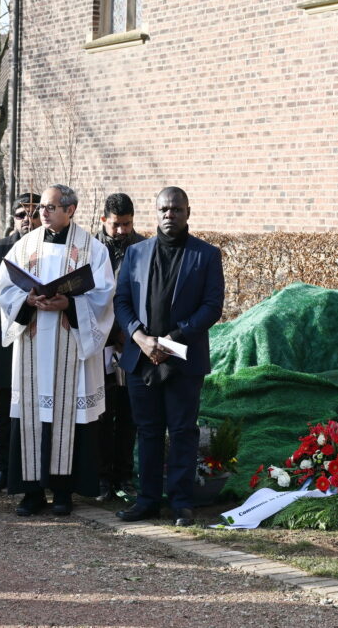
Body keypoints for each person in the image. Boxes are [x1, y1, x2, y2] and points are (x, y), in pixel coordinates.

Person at [0, 184, 115, 516]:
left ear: (70, 210)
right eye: (40, 208)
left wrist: (70, 304)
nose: (41, 213)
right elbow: (4, 289)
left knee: (68, 416)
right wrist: (27, 300)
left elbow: (104, 296)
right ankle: (31, 493)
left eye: (49, 207)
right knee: (31, 413)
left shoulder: (92, 250)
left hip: (70, 342)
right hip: (33, 341)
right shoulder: (24, 246)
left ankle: (63, 493)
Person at [114, 187, 224, 526]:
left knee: (182, 431)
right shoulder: (136, 253)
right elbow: (121, 301)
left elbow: (212, 306)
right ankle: (147, 500)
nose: (169, 214)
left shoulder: (206, 255)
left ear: (188, 212)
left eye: (176, 209)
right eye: (164, 209)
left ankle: (181, 503)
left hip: (182, 355)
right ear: (156, 211)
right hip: (142, 355)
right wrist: (140, 337)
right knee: (147, 431)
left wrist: (172, 339)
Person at [0, 192, 41, 493]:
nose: (28, 219)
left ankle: (37, 471)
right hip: (7, 341)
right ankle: (4, 467)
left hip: (42, 339)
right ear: (13, 218)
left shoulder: (52, 249)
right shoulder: (1, 248)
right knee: (4, 408)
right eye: (21, 214)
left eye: (34, 213)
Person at [95, 193, 145, 501]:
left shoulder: (143, 247)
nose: (122, 230)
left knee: (129, 413)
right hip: (98, 341)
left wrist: (131, 331)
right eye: (116, 225)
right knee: (101, 412)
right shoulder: (90, 248)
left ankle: (124, 476)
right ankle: (101, 477)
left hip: (131, 341)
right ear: (104, 220)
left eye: (127, 224)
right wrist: (109, 332)